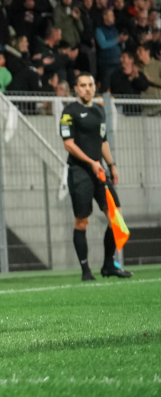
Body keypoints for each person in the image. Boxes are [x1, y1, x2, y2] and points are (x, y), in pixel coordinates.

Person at [60, 74, 132, 281]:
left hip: (100, 171)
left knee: (115, 214)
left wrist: (112, 165)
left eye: (90, 85)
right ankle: (85, 271)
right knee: (82, 222)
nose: (87, 89)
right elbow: (68, 144)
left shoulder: (99, 110)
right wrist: (91, 162)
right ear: (76, 88)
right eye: (83, 85)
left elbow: (103, 141)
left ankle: (109, 264)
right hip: (80, 172)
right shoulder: (69, 111)